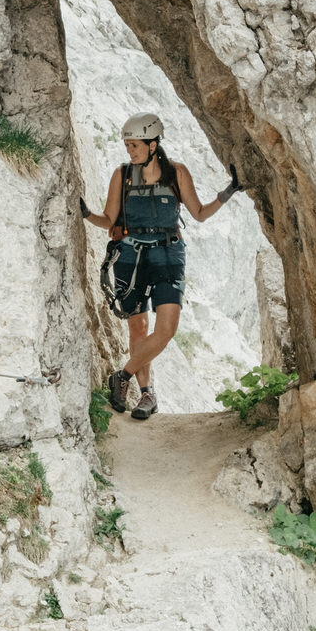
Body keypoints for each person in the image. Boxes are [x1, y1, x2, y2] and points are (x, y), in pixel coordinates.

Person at [80, 113, 240, 420]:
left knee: (166, 329)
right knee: (138, 327)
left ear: (153, 145)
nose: (129, 151)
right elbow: (109, 220)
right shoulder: (122, 175)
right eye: (127, 145)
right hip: (131, 256)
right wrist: (86, 213)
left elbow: (199, 213)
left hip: (168, 255)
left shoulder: (177, 173)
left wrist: (228, 192)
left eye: (135, 145)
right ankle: (146, 395)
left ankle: (122, 376)